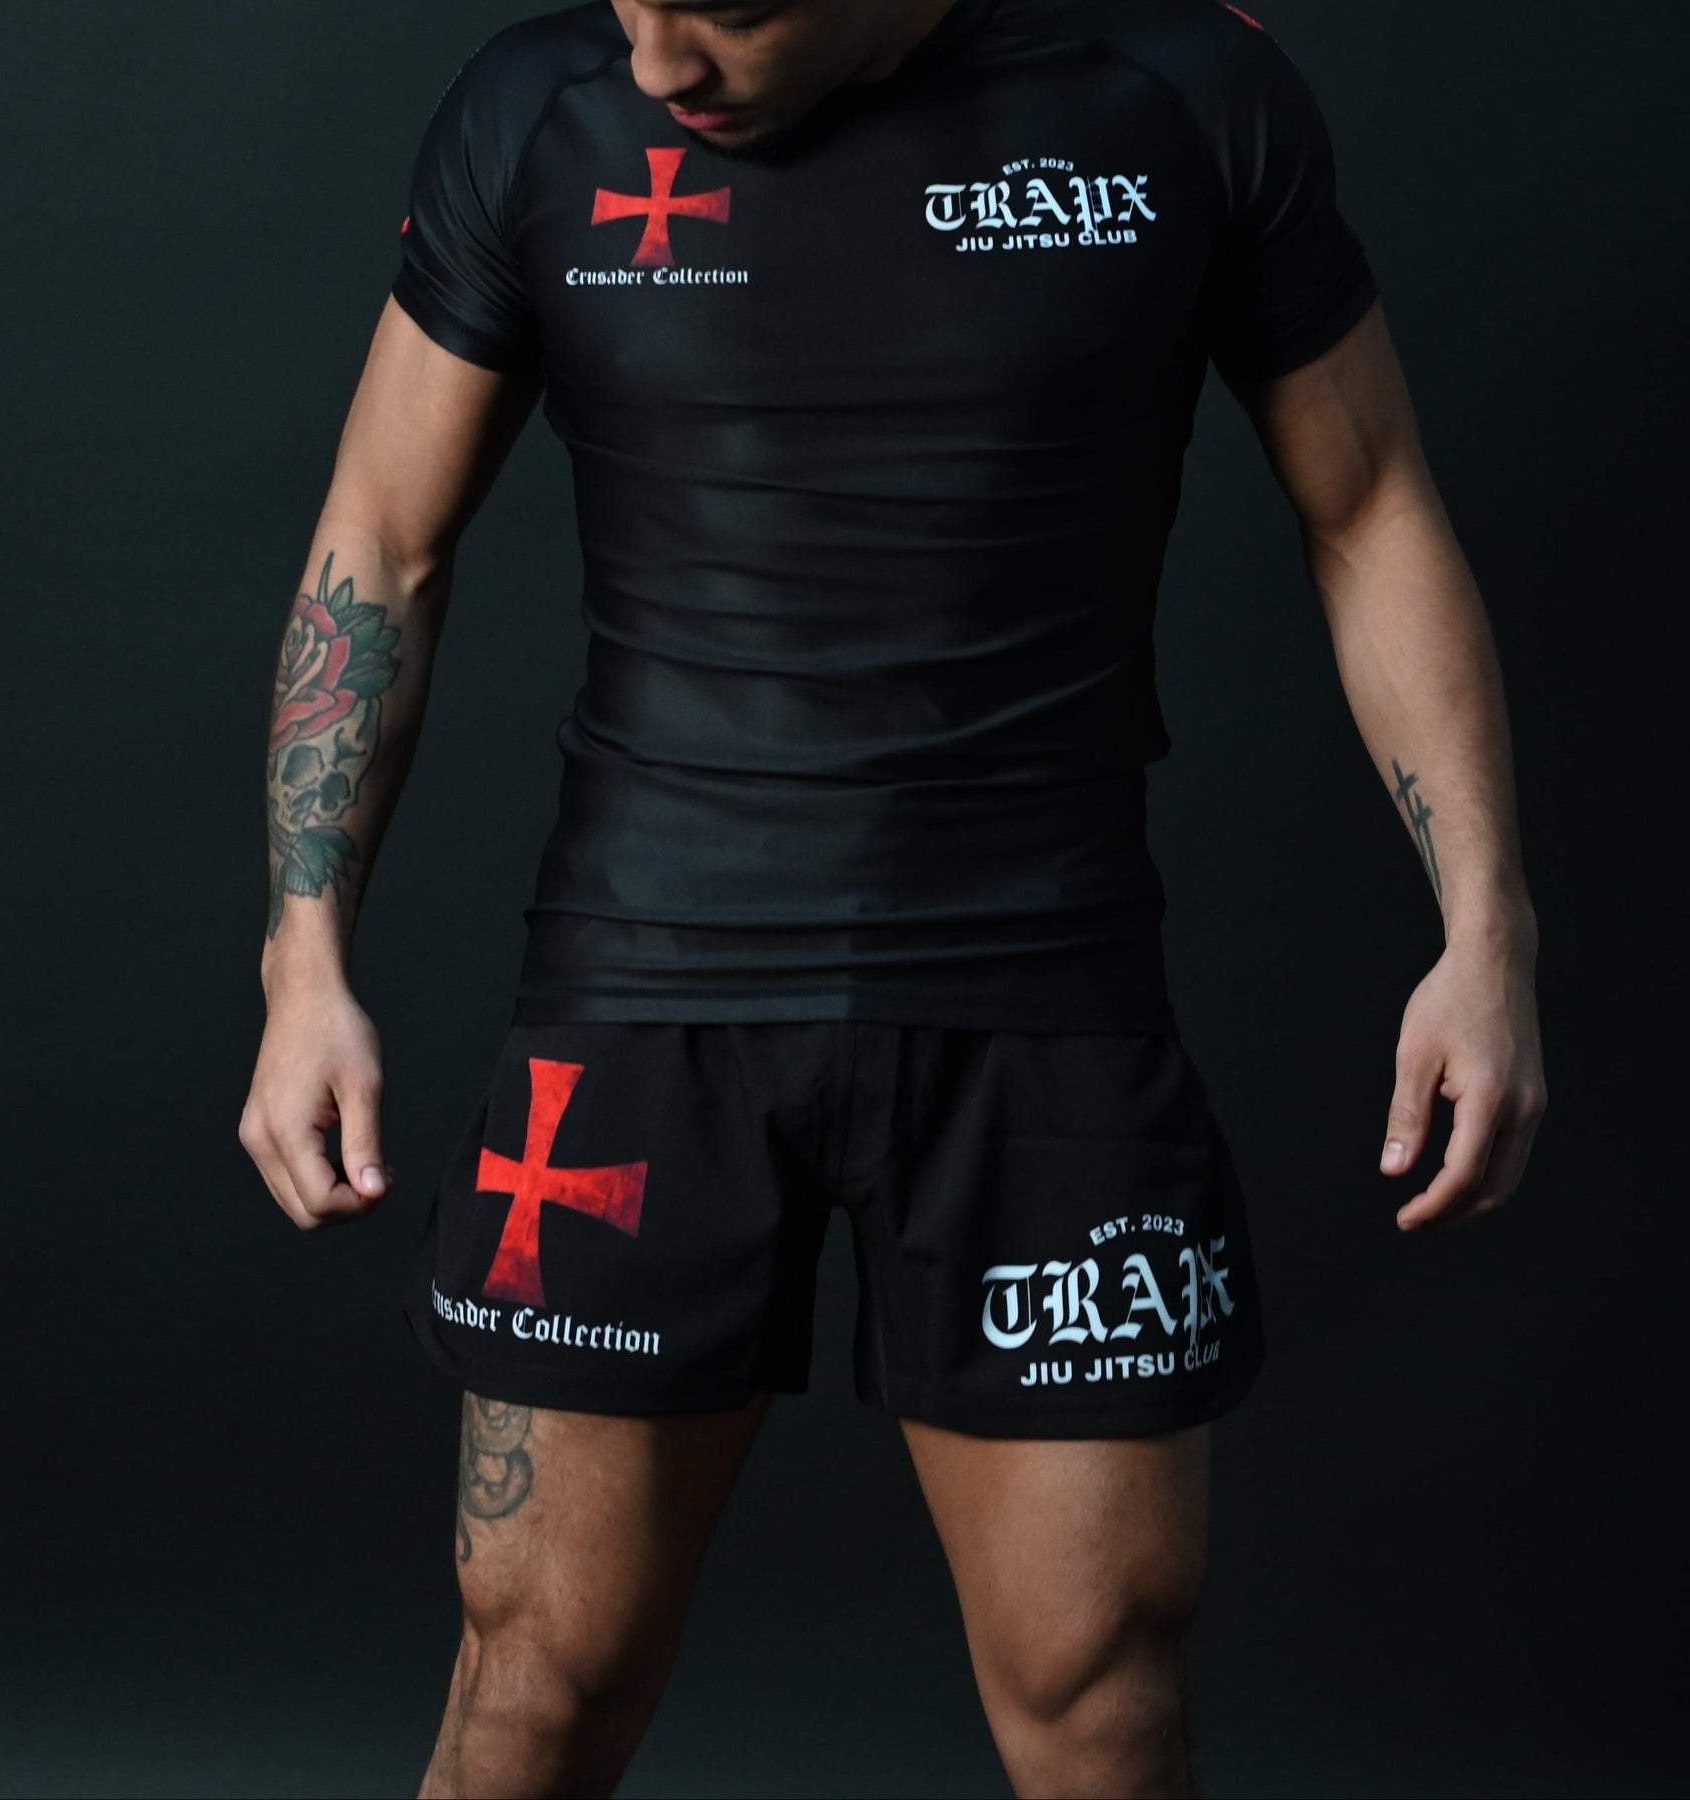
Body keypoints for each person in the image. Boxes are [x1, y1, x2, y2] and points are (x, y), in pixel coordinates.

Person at [238, 0, 1547, 1792]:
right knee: (537, 1677)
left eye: (723, 15)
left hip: (1042, 1002)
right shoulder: (541, 111)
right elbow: (382, 539)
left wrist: (1486, 925)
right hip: (643, 1000)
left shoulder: (1177, 93)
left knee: (1103, 1700)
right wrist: (304, 955)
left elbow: (1371, 501)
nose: (660, 63)